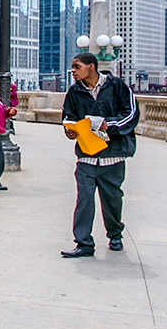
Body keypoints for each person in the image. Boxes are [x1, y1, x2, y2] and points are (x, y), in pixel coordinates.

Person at [60, 52, 139, 258]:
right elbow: (68, 116)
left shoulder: (117, 86)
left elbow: (131, 114)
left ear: (91, 66)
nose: (73, 71)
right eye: (72, 68)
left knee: (112, 199)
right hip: (86, 156)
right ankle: (84, 243)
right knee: (84, 200)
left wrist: (108, 125)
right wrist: (70, 130)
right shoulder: (74, 92)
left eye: (77, 67)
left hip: (112, 157)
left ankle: (115, 235)